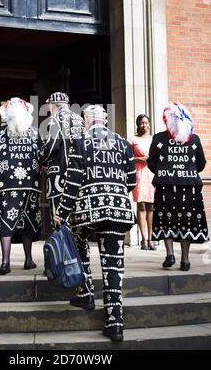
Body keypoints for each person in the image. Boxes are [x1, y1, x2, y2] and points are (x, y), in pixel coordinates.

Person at [55, 105, 136, 342]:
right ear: (105, 120)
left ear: (86, 121)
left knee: (78, 238)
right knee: (113, 267)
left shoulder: (80, 142)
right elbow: (131, 181)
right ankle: (115, 322)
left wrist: (62, 211)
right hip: (119, 211)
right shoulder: (122, 143)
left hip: (89, 211)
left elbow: (73, 181)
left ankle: (86, 291)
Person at [147, 102, 209, 271]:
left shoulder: (159, 138)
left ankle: (169, 254)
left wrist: (166, 171)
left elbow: (151, 163)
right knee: (186, 222)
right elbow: (201, 164)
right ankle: (185, 260)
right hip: (189, 187)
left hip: (165, 186)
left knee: (167, 219)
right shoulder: (193, 139)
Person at [0, 97, 42, 275]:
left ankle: (5, 263)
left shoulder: (0, 132)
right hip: (29, 185)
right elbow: (42, 156)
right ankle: (28, 260)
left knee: (6, 222)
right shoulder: (34, 132)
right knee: (27, 221)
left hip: (6, 185)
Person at [39, 92, 84, 224]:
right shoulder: (79, 120)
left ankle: (63, 245)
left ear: (52, 105)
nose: (48, 110)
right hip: (79, 175)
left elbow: (52, 145)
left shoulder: (55, 119)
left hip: (60, 175)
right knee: (76, 218)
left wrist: (41, 159)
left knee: (59, 219)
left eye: (48, 106)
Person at [129, 114, 156, 250]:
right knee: (141, 206)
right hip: (139, 173)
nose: (144, 125)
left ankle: (151, 239)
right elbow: (127, 157)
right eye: (141, 123)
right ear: (137, 125)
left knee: (151, 206)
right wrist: (139, 159)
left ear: (149, 124)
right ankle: (143, 239)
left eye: (146, 122)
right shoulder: (133, 139)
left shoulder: (154, 139)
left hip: (151, 173)